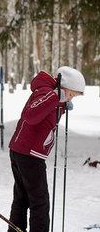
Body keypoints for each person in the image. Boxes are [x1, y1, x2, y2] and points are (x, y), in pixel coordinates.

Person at [7, 66, 86, 232]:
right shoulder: (46, 92)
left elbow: (46, 115)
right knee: (40, 201)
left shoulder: (50, 94)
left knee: (22, 198)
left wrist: (62, 105)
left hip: (22, 150)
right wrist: (56, 97)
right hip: (29, 154)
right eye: (71, 94)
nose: (70, 98)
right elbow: (31, 115)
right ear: (62, 87)